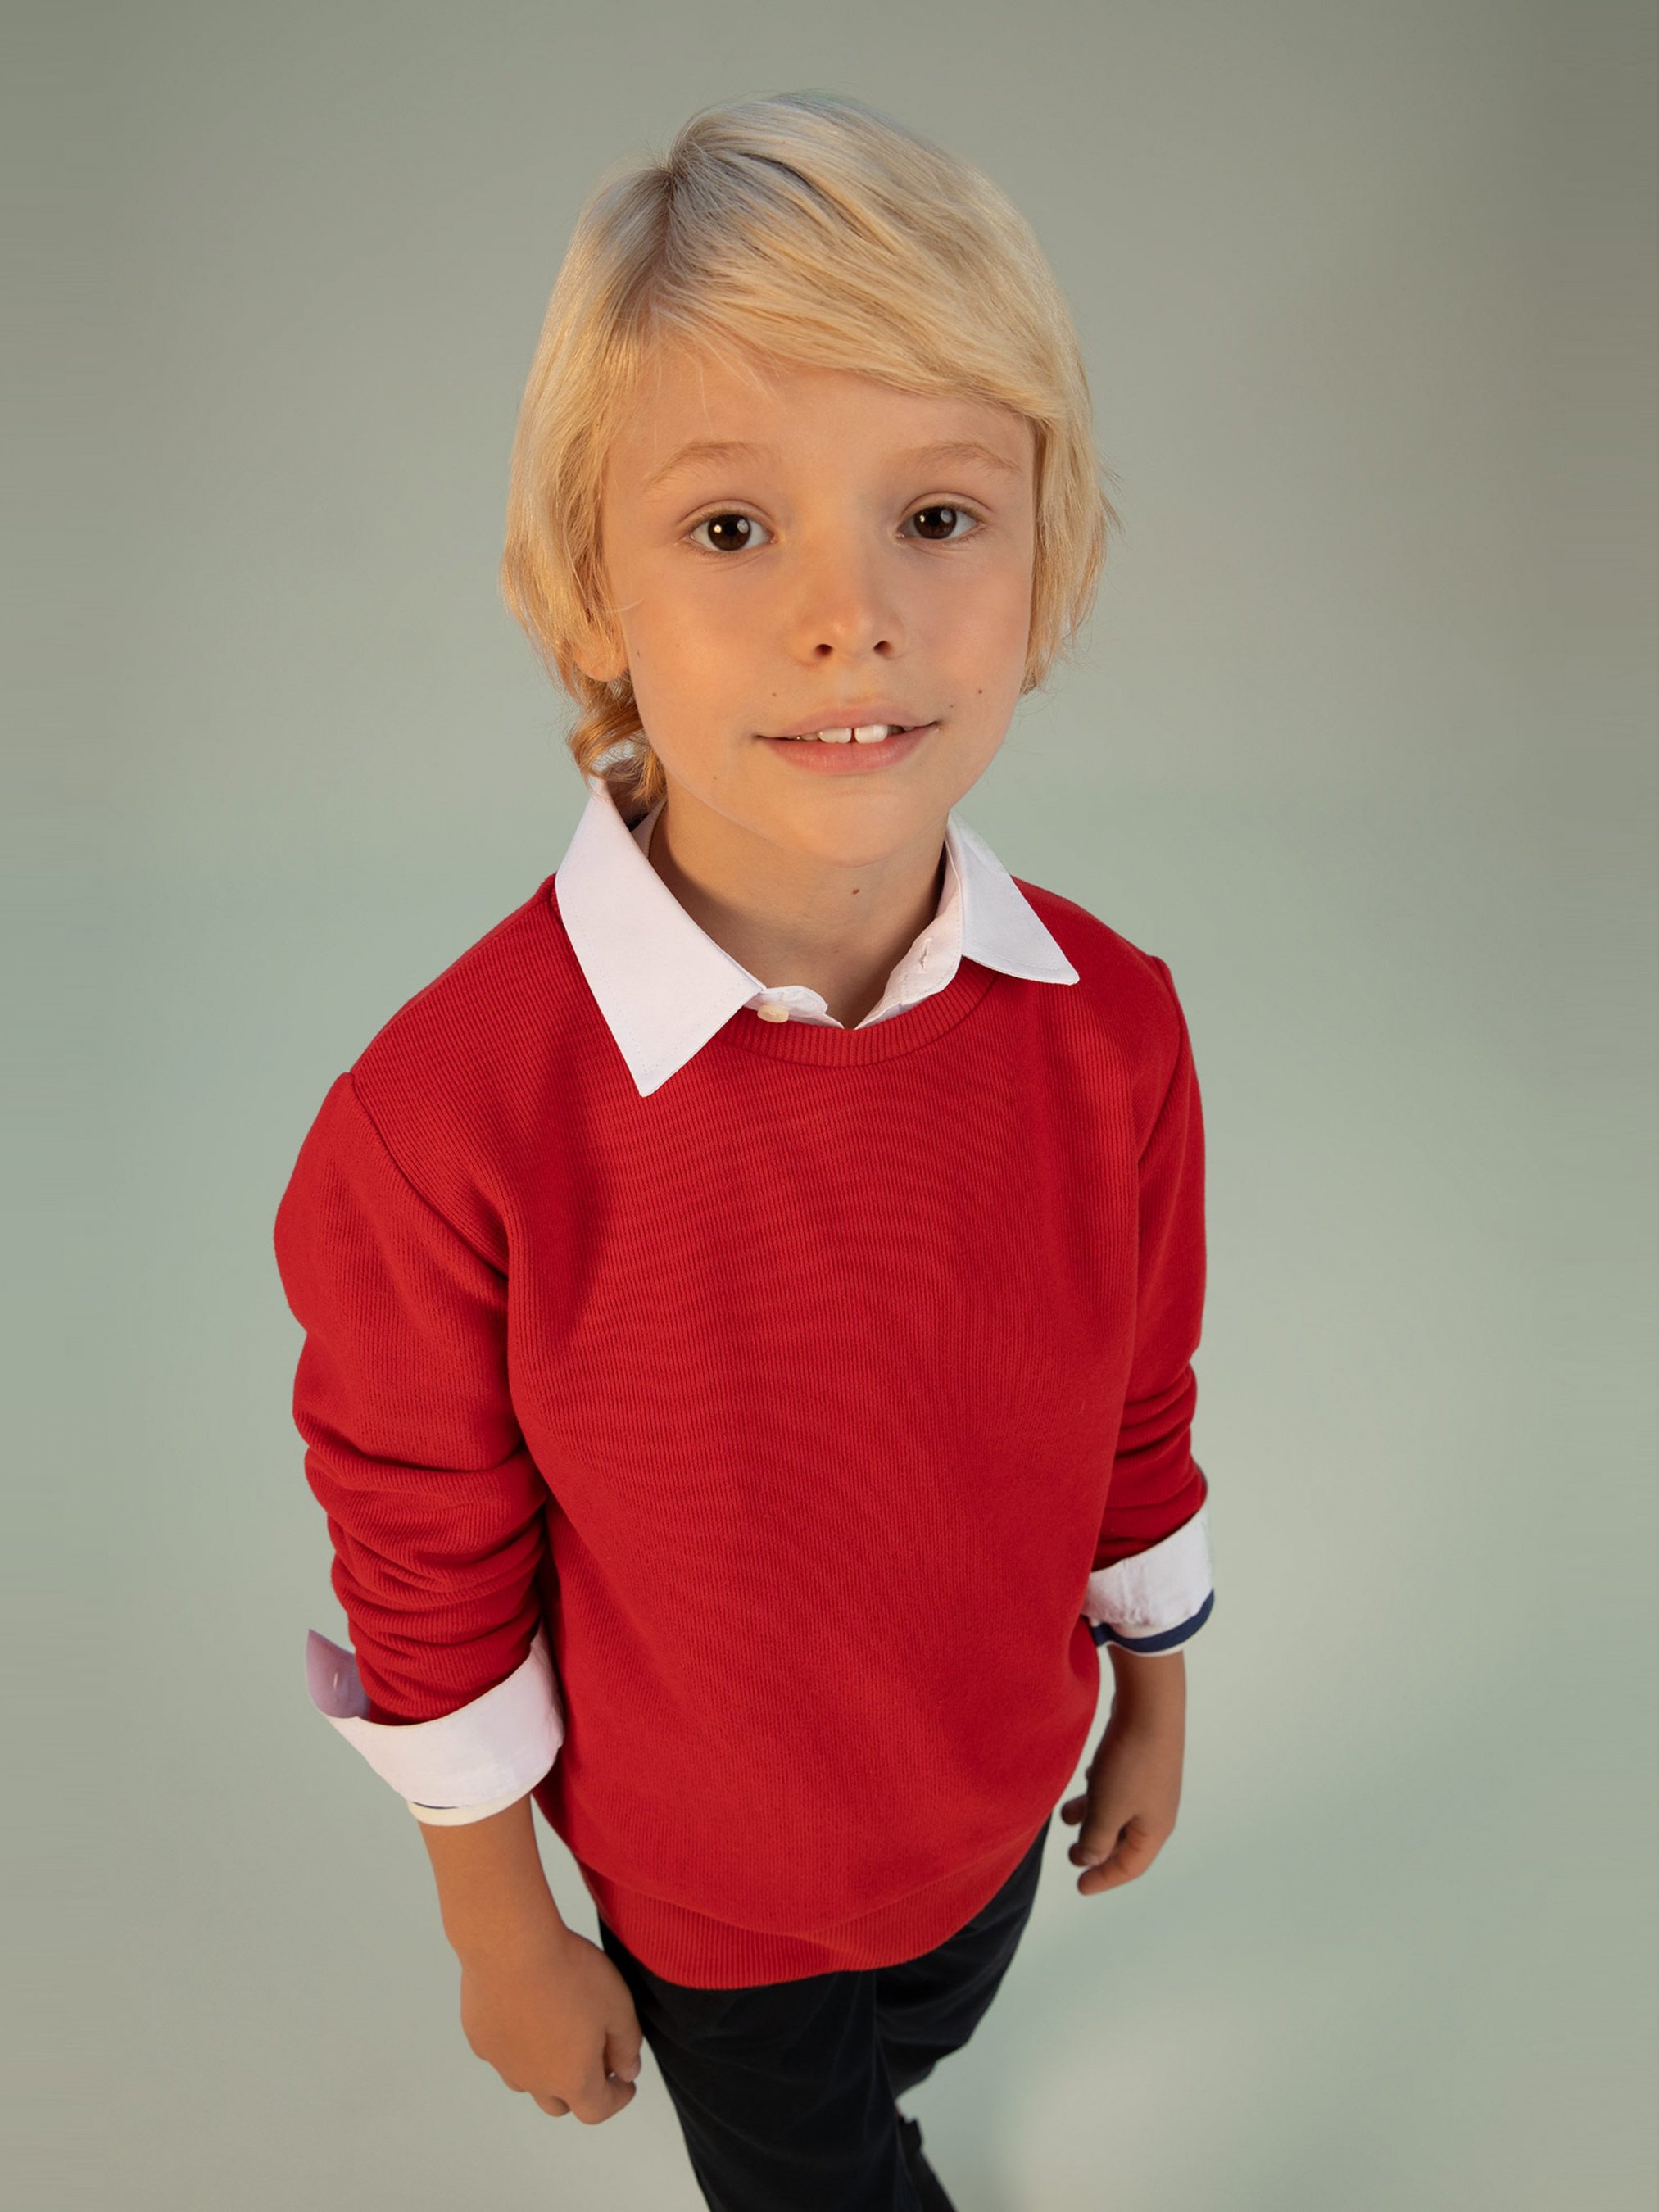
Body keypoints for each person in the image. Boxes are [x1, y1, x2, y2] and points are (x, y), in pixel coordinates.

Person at [274, 88, 1216, 2212]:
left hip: (996, 1809)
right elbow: (427, 1565)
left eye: (938, 515)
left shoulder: (1115, 1023)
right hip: (710, 1906)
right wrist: (500, 1924)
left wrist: (1152, 1693)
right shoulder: (444, 1122)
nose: (849, 614)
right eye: (729, 530)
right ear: (588, 589)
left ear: (1046, 559)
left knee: (915, 2040)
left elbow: (1136, 1398)